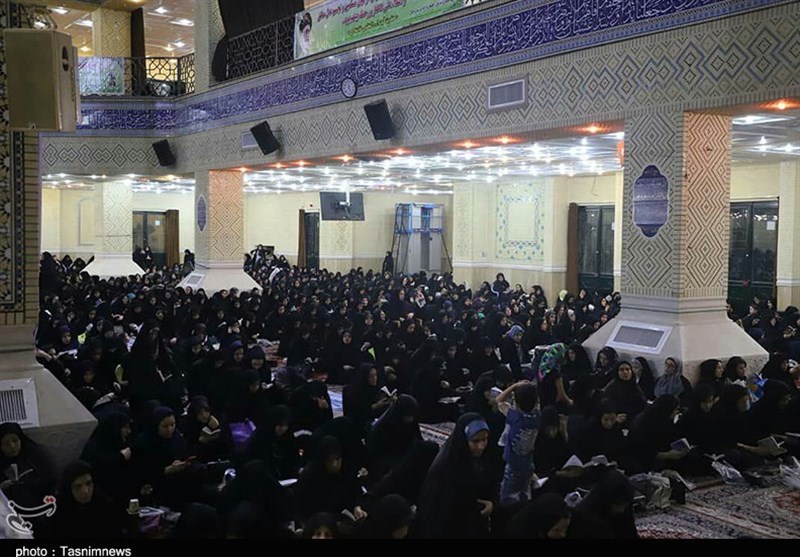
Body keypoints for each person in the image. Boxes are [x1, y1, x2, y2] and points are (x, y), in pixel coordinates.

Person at [415, 413, 496, 538]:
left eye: (484, 439)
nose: (481, 446)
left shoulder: (481, 458)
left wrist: (491, 504)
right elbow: (440, 513)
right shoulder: (444, 469)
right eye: (475, 441)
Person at [40, 460, 124, 539]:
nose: (85, 491)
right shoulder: (57, 513)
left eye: (88, 483)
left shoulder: (105, 506)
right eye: (78, 486)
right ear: (69, 488)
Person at [496, 381, 540, 505]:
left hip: (513, 466)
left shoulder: (515, 417)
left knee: (507, 499)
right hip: (528, 464)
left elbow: (499, 400)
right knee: (524, 495)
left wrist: (515, 386)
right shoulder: (537, 417)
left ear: (517, 403)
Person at [0, 422, 57, 510]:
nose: (12, 446)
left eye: (15, 441)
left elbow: (52, 480)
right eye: (6, 444)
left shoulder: (36, 456)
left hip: (40, 506)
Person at [505, 493, 572, 539]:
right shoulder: (517, 532)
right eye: (557, 530)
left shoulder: (569, 516)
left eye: (566, 527)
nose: (563, 534)